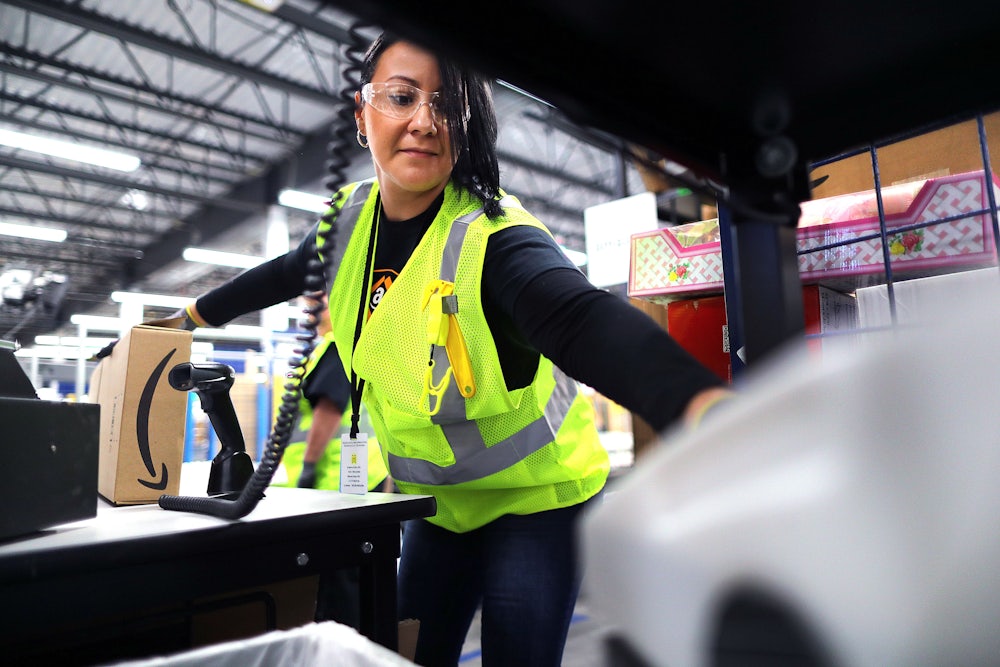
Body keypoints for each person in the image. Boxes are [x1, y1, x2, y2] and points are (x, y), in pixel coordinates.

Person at [175, 33, 732, 666]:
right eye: (401, 97)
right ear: (363, 116)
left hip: (537, 502)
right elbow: (280, 272)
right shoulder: (347, 224)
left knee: (517, 654)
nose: (424, 121)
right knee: (414, 652)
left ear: (469, 127)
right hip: (438, 507)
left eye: (447, 104)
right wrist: (187, 315)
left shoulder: (494, 237)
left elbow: (579, 318)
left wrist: (701, 407)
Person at [273, 295, 390, 630]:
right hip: (343, 481)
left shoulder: (340, 348)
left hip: (338, 482)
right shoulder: (327, 350)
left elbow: (329, 410)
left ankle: (344, 646)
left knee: (340, 581)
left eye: (318, 302)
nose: (310, 309)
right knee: (346, 576)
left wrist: (308, 467)